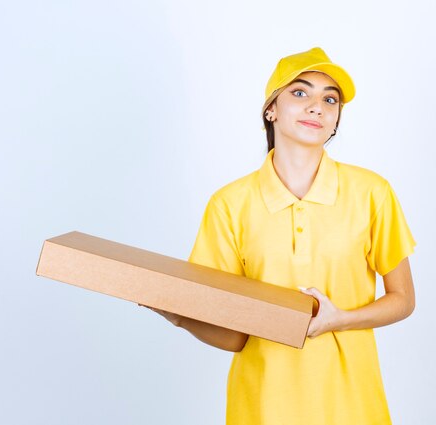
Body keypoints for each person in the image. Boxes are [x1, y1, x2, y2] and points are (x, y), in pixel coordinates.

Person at [145, 47, 417, 425]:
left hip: (352, 404)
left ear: (336, 120)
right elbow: (235, 337)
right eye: (300, 93)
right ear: (271, 109)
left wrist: (339, 319)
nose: (317, 106)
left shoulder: (372, 193)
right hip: (263, 406)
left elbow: (402, 299)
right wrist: (178, 315)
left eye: (330, 99)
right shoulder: (230, 204)